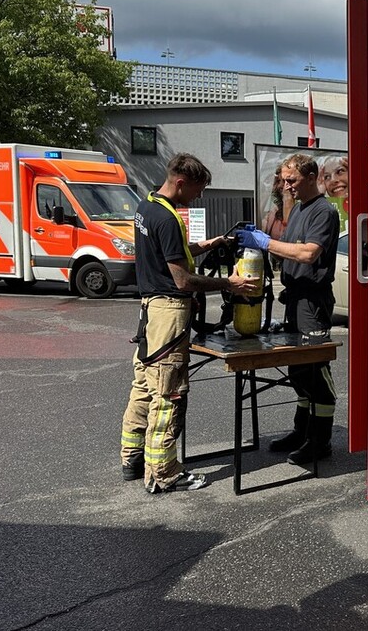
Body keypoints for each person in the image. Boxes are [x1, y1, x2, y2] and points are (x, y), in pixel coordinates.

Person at [121, 153, 255, 494]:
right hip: (168, 313)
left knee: (143, 387)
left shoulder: (147, 207)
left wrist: (207, 244)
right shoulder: (168, 219)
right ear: (181, 182)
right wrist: (230, 284)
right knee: (169, 394)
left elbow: (170, 253)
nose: (199, 196)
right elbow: (182, 280)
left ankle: (132, 459)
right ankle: (164, 474)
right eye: (197, 189)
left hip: (149, 311)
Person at [236, 153, 339, 465]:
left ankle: (320, 440)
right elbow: (290, 249)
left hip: (312, 303)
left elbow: (308, 254)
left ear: (311, 177)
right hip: (294, 302)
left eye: (292, 180)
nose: (287, 186)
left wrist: (266, 243)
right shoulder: (298, 210)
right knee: (299, 373)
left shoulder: (323, 211)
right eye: (283, 180)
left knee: (317, 373)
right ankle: (302, 431)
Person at [261, 164, 296, 270]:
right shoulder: (273, 214)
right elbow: (261, 228)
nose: (282, 186)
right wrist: (266, 190)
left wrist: (287, 196)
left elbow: (290, 236)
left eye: (288, 181)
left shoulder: (300, 208)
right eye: (278, 181)